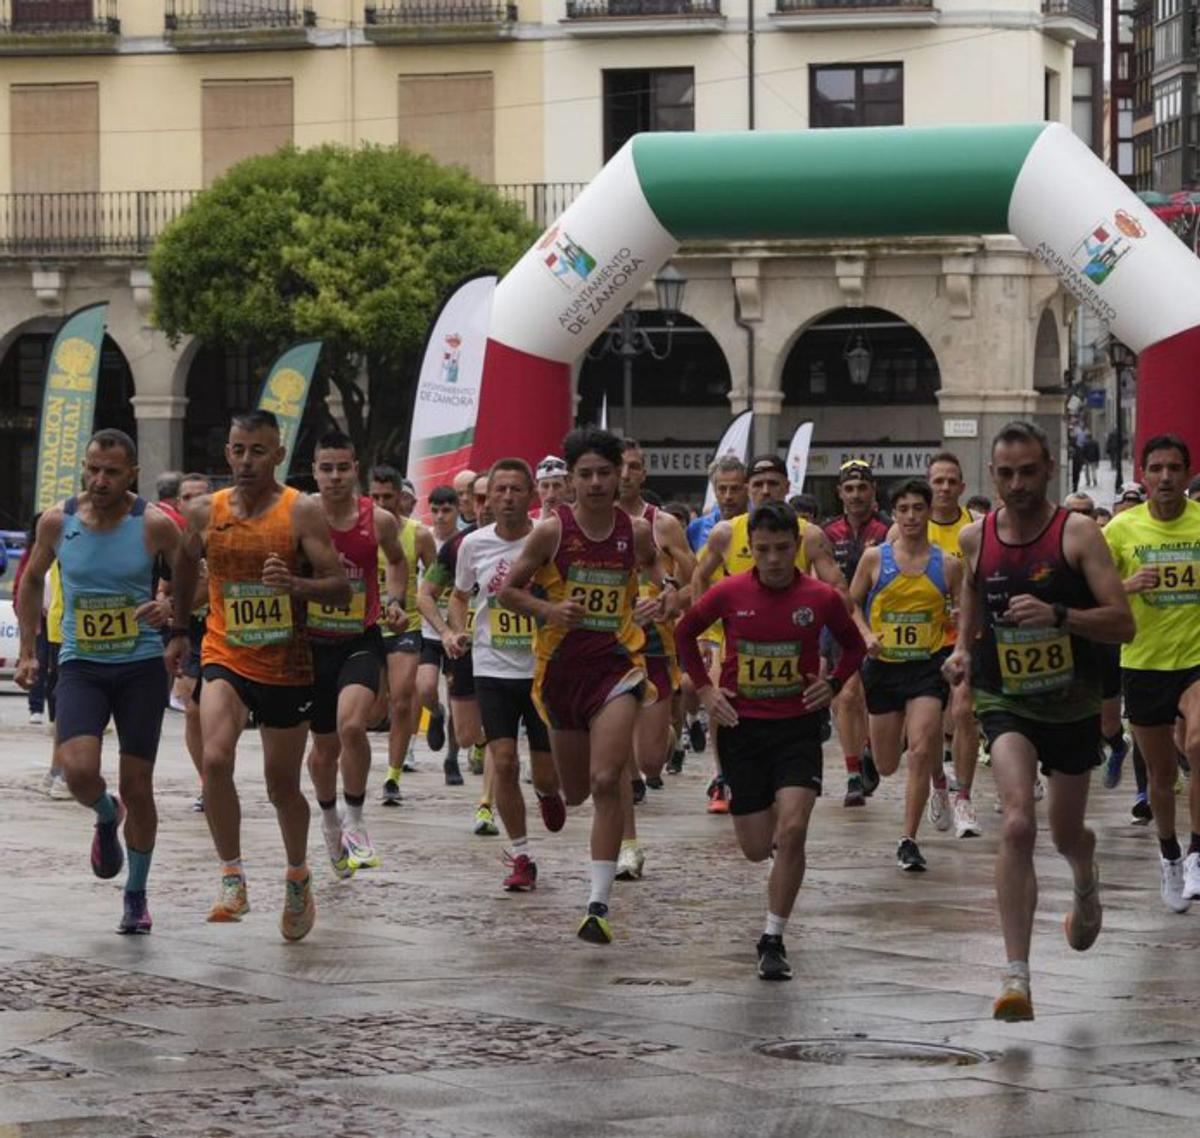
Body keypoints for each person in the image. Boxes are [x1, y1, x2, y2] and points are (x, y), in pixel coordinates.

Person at [943, 420, 1133, 1022]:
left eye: (1028, 471)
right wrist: (961, 655)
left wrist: (1059, 615)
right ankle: (1016, 976)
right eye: (1005, 474)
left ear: (1049, 467)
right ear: (991, 475)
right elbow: (971, 607)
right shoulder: (975, 539)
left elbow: (1122, 622)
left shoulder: (1075, 534)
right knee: (1018, 822)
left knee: (1063, 832)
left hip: (1073, 702)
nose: (1017, 484)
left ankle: (1084, 870)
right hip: (1009, 701)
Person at [167, 410, 350, 942]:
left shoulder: (302, 511)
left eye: (258, 451)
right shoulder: (204, 511)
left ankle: (297, 874)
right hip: (225, 650)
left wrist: (294, 584)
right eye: (238, 449)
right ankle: (232, 875)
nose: (247, 461)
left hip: (286, 663)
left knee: (281, 786)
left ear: (278, 455)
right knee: (215, 758)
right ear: (227, 452)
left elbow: (338, 586)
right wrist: (179, 628)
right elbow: (183, 562)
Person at [676, 501, 866, 979]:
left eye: (783, 549)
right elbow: (684, 633)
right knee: (757, 847)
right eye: (763, 550)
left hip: (797, 727)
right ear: (751, 551)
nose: (775, 559)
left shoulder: (820, 597)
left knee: (795, 829)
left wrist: (835, 682)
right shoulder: (728, 592)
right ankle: (778, 857)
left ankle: (773, 936)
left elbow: (855, 644)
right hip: (745, 729)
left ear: (797, 547)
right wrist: (705, 688)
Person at [499, 427, 663, 944]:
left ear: (621, 476)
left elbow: (660, 573)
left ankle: (597, 904)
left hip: (617, 664)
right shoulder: (551, 531)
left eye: (604, 473)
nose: (595, 483)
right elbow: (508, 592)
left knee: (605, 779)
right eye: (585, 474)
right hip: (561, 672)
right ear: (570, 481)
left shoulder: (634, 531)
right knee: (573, 793)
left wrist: (664, 597)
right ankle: (546, 786)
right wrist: (550, 609)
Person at [16, 429, 182, 934]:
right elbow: (29, 580)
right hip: (82, 664)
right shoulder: (57, 520)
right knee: (79, 771)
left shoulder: (154, 524)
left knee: (140, 784)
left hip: (139, 667)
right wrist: (28, 650)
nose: (99, 480)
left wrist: (172, 609)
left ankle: (136, 894)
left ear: (131, 473)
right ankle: (106, 815)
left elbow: (198, 577)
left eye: (111, 471)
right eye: (92, 468)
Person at [695, 454, 846, 811]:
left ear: (787, 487)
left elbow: (837, 584)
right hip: (734, 634)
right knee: (722, 696)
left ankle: (787, 781)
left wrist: (823, 613)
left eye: (773, 483)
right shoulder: (726, 532)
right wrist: (706, 632)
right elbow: (700, 576)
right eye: (758, 484)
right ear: (749, 489)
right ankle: (723, 777)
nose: (765, 490)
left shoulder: (809, 534)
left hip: (793, 636)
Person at [450, 459, 567, 890]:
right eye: (499, 490)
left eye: (517, 490)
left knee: (545, 773)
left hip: (541, 669)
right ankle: (521, 855)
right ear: (488, 498)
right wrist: (455, 630)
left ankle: (547, 793)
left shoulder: (549, 540)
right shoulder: (473, 546)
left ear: (531, 495)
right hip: (491, 667)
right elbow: (460, 596)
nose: (507, 498)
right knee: (502, 762)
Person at [1103, 434, 1200, 912]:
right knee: (1161, 775)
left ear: (1186, 474)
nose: (1165, 477)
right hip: (1142, 663)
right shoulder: (1121, 530)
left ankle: (1199, 852)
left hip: (1195, 658)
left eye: (1174, 468)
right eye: (1157, 468)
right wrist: (1128, 584)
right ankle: (1170, 855)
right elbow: (1091, 591)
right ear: (1143, 475)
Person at [305, 432, 408, 878]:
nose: (334, 477)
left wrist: (396, 599)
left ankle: (357, 819)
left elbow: (398, 560)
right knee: (323, 747)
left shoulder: (378, 519)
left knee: (352, 725)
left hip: (359, 638)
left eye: (342, 467)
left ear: (355, 469)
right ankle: (329, 822)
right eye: (326, 468)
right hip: (310, 644)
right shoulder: (299, 515)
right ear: (314, 471)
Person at [851, 479, 959, 871]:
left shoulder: (947, 564)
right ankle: (936, 774)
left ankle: (909, 839)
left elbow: (963, 611)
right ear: (893, 514)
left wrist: (959, 644)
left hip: (925, 668)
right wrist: (866, 637)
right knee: (886, 765)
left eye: (918, 508)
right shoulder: (875, 559)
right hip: (883, 668)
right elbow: (851, 604)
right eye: (904, 509)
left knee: (919, 747)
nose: (912, 516)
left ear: (929, 512)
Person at [616, 439, 697, 880]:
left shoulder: (662, 525)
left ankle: (665, 735)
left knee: (649, 761)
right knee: (615, 755)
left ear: (643, 474)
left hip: (654, 647)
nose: (624, 475)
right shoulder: (582, 524)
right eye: (618, 467)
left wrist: (670, 601)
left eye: (633, 467)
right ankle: (628, 847)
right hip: (608, 648)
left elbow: (694, 583)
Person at [418, 475, 492, 831]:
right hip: (465, 648)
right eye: (476, 499)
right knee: (466, 735)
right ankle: (477, 742)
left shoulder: (534, 540)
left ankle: (486, 807)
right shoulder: (457, 547)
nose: (486, 505)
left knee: (501, 734)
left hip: (511, 655)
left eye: (488, 496)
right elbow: (424, 595)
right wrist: (448, 631)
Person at [823, 460, 891, 805]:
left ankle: (869, 750)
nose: (856, 495)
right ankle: (852, 774)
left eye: (862, 488)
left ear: (873, 490)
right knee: (847, 696)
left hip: (882, 626)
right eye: (848, 489)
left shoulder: (887, 529)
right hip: (839, 626)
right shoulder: (827, 532)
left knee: (872, 698)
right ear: (839, 493)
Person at [369, 465, 436, 801]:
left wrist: (443, 622)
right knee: (373, 711)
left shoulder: (419, 534)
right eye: (375, 497)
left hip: (406, 625)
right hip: (367, 627)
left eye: (387, 497)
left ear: (401, 497)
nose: (381, 504)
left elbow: (439, 580)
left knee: (401, 699)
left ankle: (393, 776)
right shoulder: (362, 530)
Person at [924, 452, 982, 839]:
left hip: (965, 639)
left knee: (963, 713)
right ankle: (938, 785)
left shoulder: (976, 530)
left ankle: (963, 797)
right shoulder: (906, 528)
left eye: (951, 481)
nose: (944, 487)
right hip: (923, 642)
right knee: (927, 726)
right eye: (938, 480)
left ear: (962, 487)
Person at [416, 485, 463, 782]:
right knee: (425, 688)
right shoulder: (423, 539)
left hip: (458, 630)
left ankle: (452, 758)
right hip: (429, 630)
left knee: (459, 697)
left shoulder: (465, 542)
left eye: (446, 510)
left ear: (457, 510)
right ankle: (435, 712)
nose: (440, 516)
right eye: (435, 510)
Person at [175, 473, 213, 811]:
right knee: (192, 713)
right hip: (191, 634)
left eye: (201, 496)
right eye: (187, 497)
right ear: (178, 503)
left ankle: (216, 778)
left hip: (228, 632)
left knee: (210, 714)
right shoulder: (170, 538)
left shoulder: (222, 534)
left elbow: (208, 589)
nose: (194, 503)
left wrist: (174, 607)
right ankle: (208, 783)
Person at [687, 454, 749, 553]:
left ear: (747, 489)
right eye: (722, 489)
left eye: (735, 489)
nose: (728, 496)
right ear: (714, 490)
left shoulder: (758, 526)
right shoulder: (697, 528)